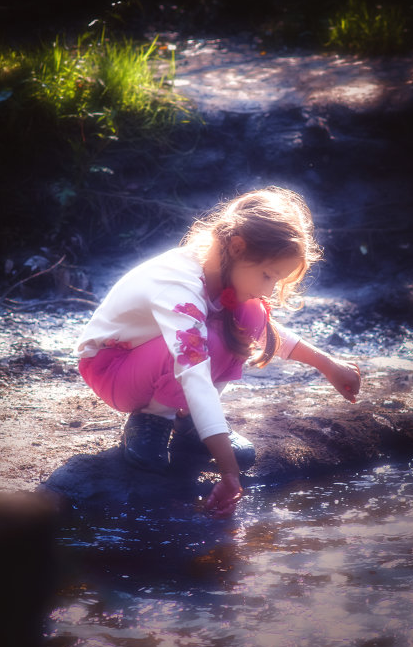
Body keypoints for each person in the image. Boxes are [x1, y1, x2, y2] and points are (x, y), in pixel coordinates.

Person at [75, 186, 361, 518]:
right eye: (267, 275)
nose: (269, 288)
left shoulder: (223, 272)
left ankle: (189, 422)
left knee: (251, 312)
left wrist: (328, 365)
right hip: (113, 368)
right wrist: (229, 473)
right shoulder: (178, 287)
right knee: (200, 343)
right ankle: (153, 418)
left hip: (153, 361)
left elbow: (266, 332)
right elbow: (193, 370)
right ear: (237, 247)